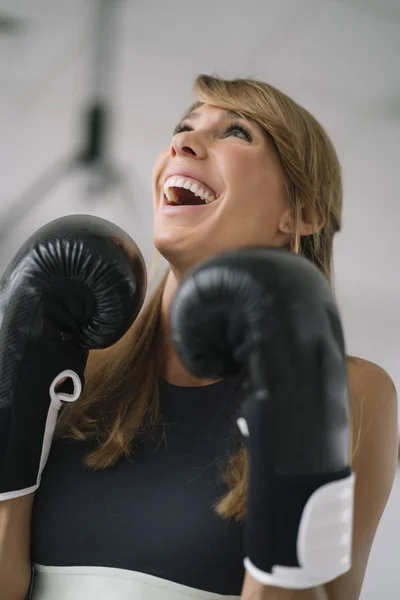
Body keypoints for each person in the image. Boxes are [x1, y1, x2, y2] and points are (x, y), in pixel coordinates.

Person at [0, 74, 398, 600]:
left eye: (236, 133)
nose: (182, 143)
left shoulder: (353, 389)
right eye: (184, 128)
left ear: (299, 213)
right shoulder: (77, 373)